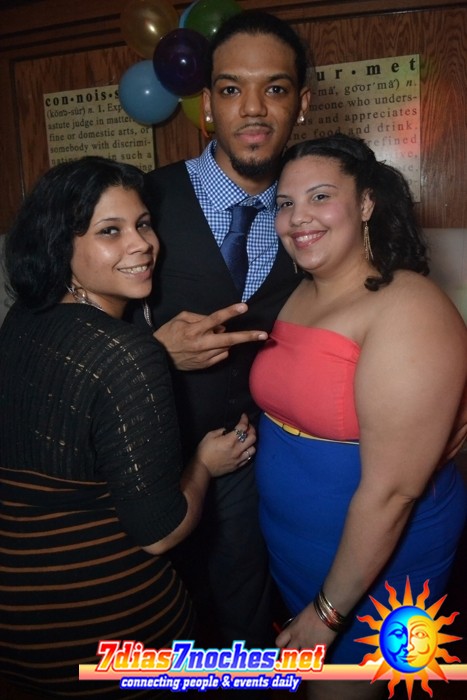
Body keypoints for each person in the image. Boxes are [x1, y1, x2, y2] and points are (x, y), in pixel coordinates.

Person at [0, 156, 256, 699]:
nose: (142, 244)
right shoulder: (128, 355)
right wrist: (204, 465)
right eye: (110, 231)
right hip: (109, 628)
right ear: (59, 246)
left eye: (142, 224)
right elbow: (160, 532)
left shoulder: (22, 318)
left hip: (21, 625)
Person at [249, 133, 467, 699]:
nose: (298, 217)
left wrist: (327, 612)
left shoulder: (408, 305)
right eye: (285, 203)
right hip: (295, 546)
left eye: (320, 197)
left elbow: (393, 493)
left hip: (380, 565)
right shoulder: (298, 289)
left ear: (366, 203)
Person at [130, 10, 312, 648]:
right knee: (157, 627)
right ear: (207, 104)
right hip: (149, 461)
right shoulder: (143, 201)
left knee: (245, 619)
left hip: (263, 463)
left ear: (301, 104)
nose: (253, 109)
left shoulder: (313, 213)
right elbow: (73, 329)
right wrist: (153, 353)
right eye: (232, 89)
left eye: (276, 88)